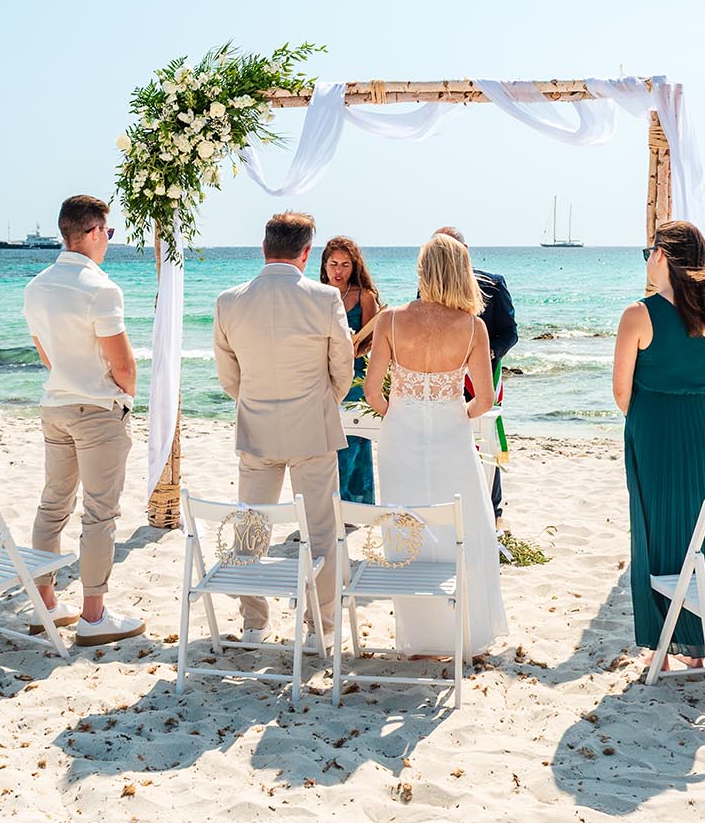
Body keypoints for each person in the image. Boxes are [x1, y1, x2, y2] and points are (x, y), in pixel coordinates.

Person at [611, 220, 705, 670]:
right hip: (701, 427)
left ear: (662, 255)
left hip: (652, 426)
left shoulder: (638, 314)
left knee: (655, 527)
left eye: (649, 252)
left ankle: (662, 648)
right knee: (704, 524)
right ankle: (702, 646)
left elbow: (621, 391)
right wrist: (688, 403)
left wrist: (652, 413)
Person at [214, 211, 355, 650]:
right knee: (321, 530)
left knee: (251, 526)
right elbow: (343, 366)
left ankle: (254, 624)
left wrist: (253, 401)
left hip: (256, 428)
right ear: (306, 252)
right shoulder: (325, 298)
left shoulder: (229, 301)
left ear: (264, 248)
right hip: (312, 429)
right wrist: (323, 402)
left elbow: (228, 375)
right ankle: (319, 627)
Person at [364, 233, 509, 658]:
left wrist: (401, 413)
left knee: (406, 530)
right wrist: (453, 415)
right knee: (460, 528)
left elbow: (372, 393)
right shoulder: (473, 327)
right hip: (452, 438)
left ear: (423, 272)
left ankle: (421, 641)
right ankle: (463, 635)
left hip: (399, 439)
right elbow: (484, 400)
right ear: (462, 273)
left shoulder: (391, 320)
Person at [22, 194, 145, 648]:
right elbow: (124, 365)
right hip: (96, 411)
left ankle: (46, 604)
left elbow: (46, 355)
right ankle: (94, 615)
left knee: (53, 505)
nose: (108, 240)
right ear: (93, 232)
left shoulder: (36, 287)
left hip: (55, 406)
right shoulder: (101, 289)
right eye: (107, 232)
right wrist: (126, 398)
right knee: (99, 513)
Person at [433, 227, 517, 527]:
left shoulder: (492, 284)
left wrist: (485, 354)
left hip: (481, 375)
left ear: (465, 251)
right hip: (443, 377)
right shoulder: (428, 287)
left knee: (486, 440)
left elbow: (510, 332)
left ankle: (493, 510)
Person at [320, 235, 380, 504]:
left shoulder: (365, 296)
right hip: (324, 374)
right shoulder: (316, 294)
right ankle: (329, 503)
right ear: (324, 264)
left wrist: (355, 348)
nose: (338, 271)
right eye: (333, 264)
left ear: (354, 266)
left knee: (354, 439)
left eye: (345, 265)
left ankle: (355, 504)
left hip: (356, 376)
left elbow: (373, 339)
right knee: (328, 442)